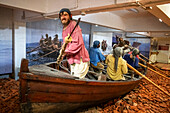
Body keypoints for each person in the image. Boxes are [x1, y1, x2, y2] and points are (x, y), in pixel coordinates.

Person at [59, 8, 90, 79]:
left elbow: (78, 43)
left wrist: (65, 52)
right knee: (73, 78)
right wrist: (62, 53)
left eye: (65, 15)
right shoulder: (64, 29)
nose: (63, 17)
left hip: (80, 59)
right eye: (61, 16)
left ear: (70, 16)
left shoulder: (73, 24)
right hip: (71, 59)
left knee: (77, 80)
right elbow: (65, 44)